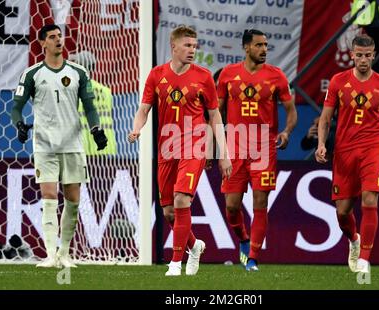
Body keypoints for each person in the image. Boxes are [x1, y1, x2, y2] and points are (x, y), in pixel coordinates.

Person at [128, 26, 232, 276]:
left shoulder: (204, 76)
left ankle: (176, 263)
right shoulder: (157, 75)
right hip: (167, 147)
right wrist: (136, 129)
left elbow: (215, 116)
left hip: (194, 145)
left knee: (181, 199)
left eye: (195, 46)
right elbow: (144, 109)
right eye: (187, 46)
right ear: (173, 47)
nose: (192, 50)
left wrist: (223, 153)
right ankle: (194, 246)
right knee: (168, 211)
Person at [11, 24, 108, 268]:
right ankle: (50, 254)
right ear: (42, 43)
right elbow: (15, 107)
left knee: (73, 200)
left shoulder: (79, 72)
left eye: (59, 36)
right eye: (52, 37)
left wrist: (96, 130)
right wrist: (19, 125)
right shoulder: (32, 74)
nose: (58, 40)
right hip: (44, 144)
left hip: (72, 144)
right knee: (49, 195)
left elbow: (90, 107)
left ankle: (64, 252)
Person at [315, 34, 379, 273]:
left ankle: (364, 259)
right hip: (344, 151)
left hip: (373, 148)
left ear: (374, 55)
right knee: (343, 212)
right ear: (352, 55)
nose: (363, 59)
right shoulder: (338, 82)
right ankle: (354, 240)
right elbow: (326, 118)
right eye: (359, 55)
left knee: (370, 200)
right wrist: (322, 144)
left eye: (367, 55)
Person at [217, 29, 297, 271]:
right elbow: (217, 111)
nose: (264, 49)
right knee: (232, 206)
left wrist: (286, 132)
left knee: (260, 201)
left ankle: (252, 257)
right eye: (259, 45)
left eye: (266, 45)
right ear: (246, 48)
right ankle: (243, 238)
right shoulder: (228, 75)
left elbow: (291, 111)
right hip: (235, 148)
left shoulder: (277, 76)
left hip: (264, 148)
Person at [69, 50, 117, 155]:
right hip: (107, 145)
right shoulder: (106, 91)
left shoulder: (75, 91)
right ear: (93, 67)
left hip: (85, 146)